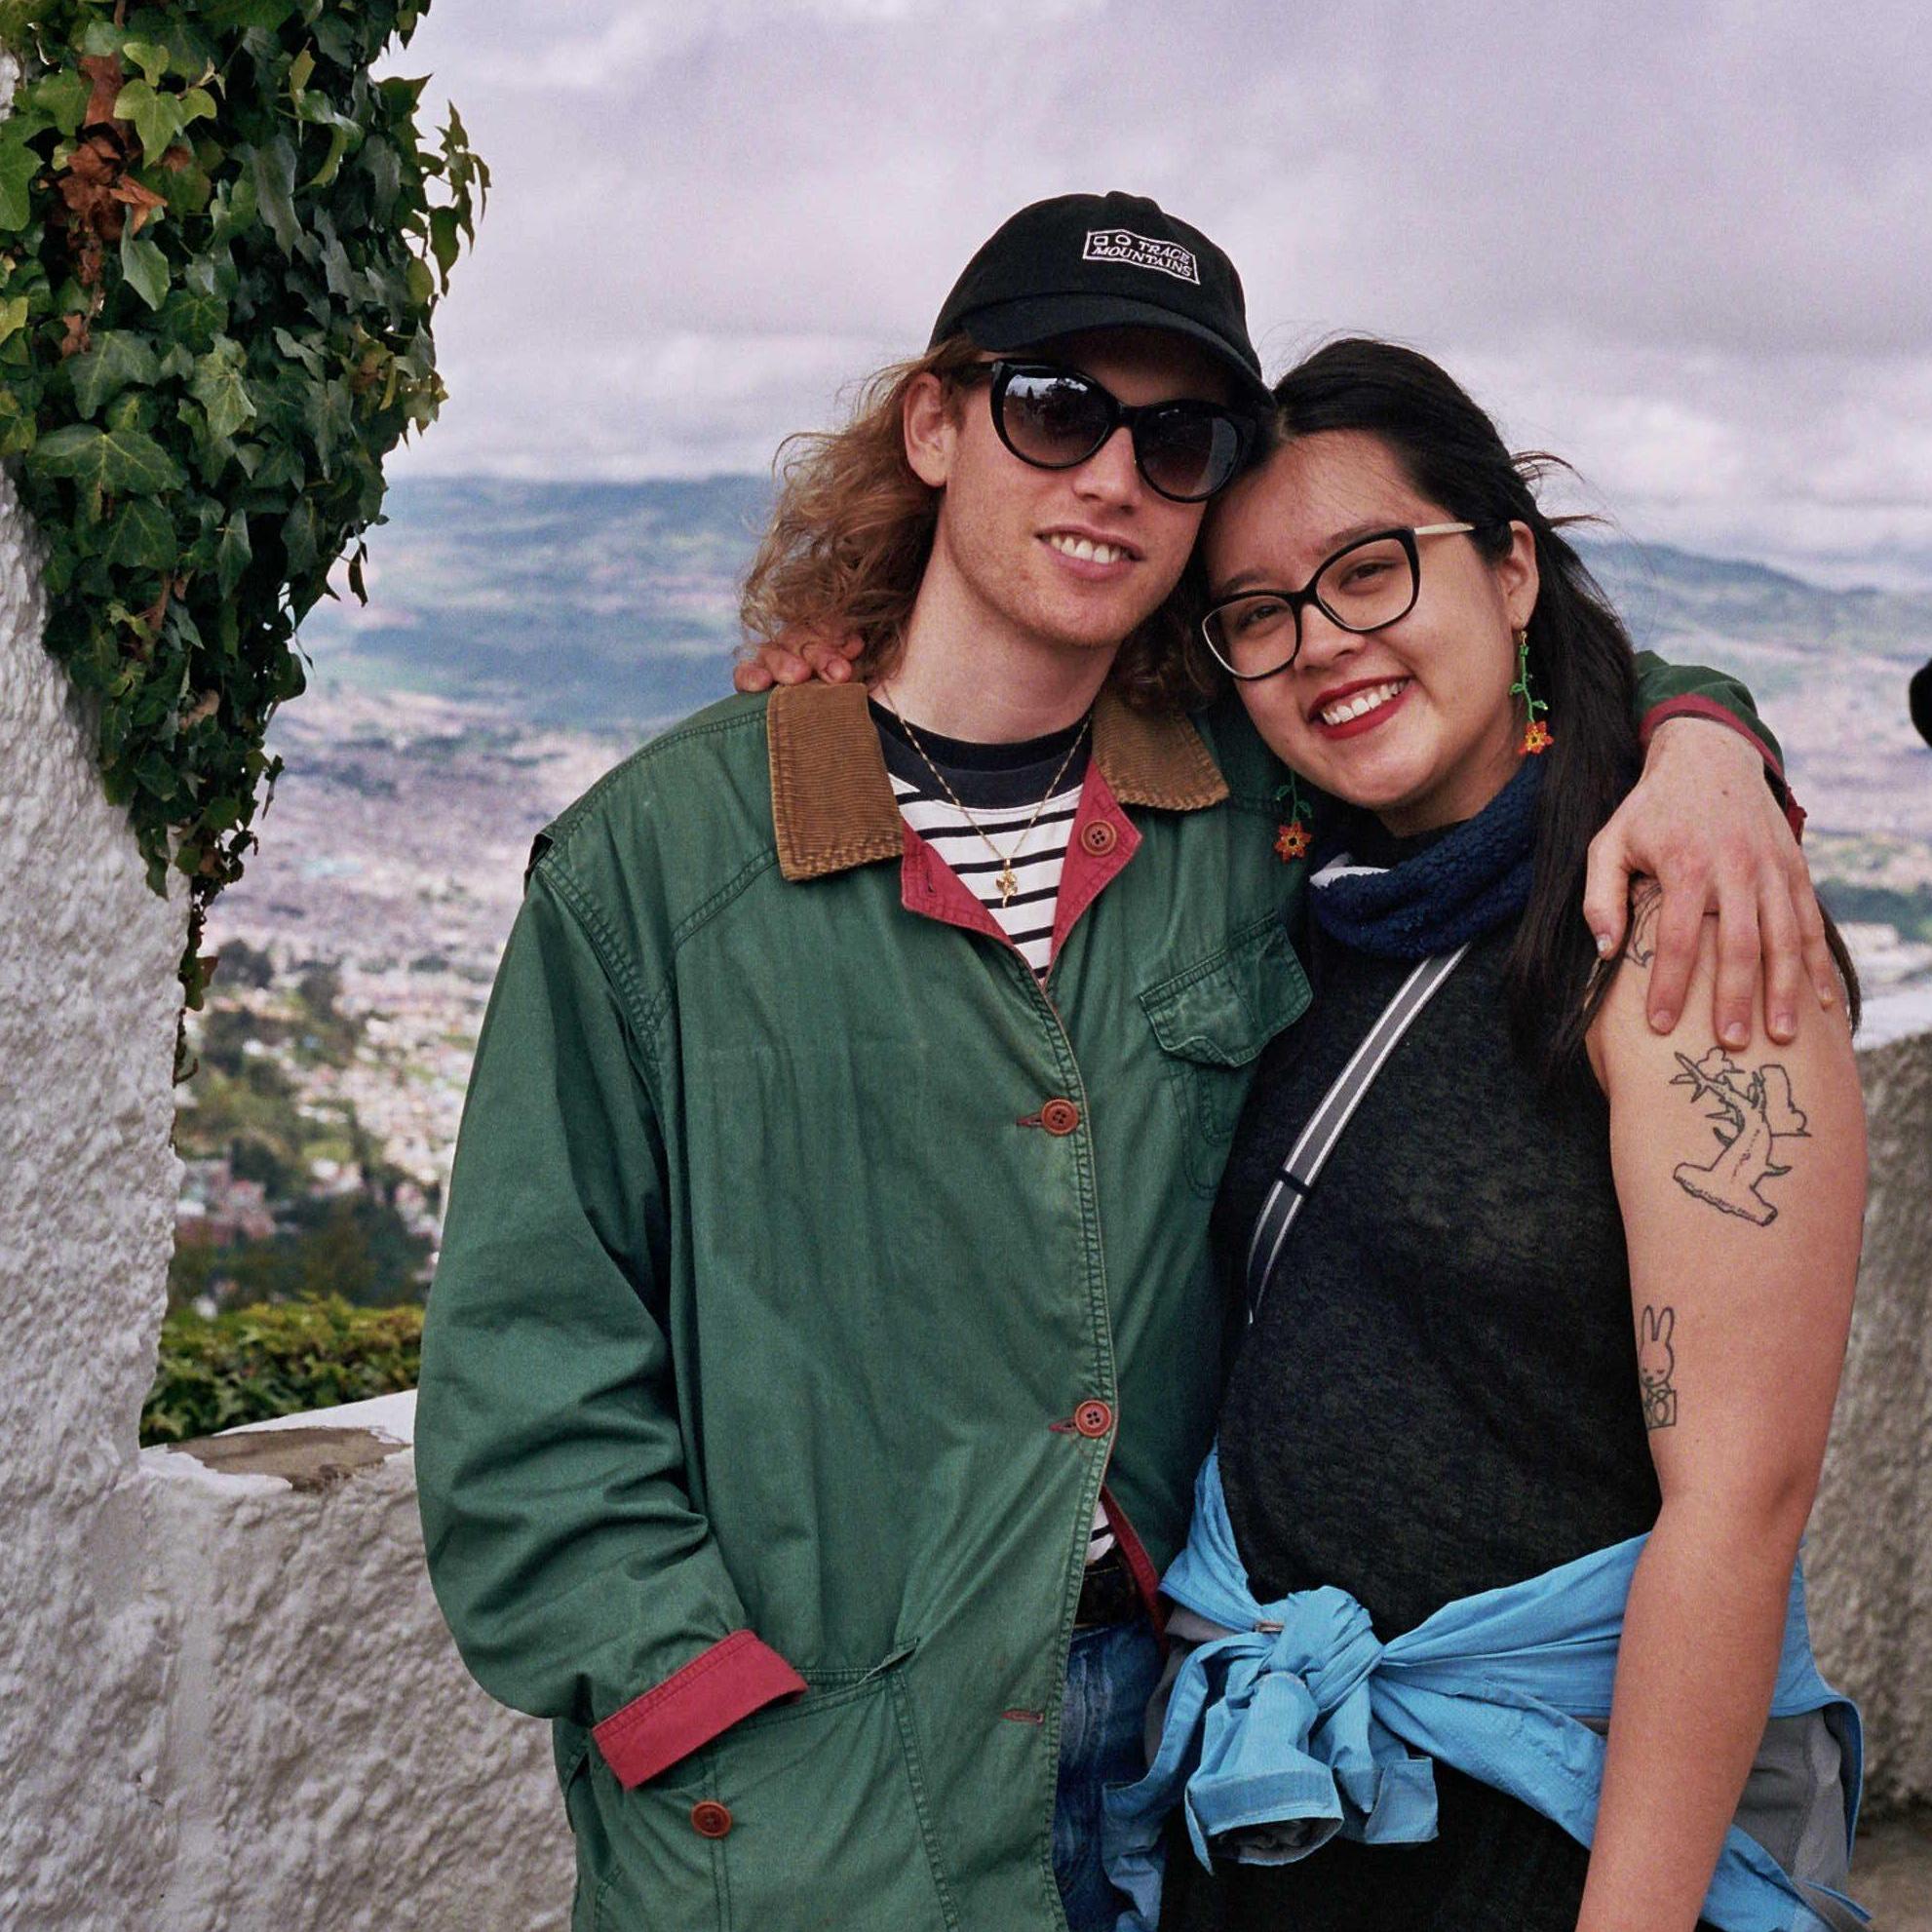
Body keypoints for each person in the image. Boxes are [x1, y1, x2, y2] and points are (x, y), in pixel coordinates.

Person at [417, 192, 1829, 1932]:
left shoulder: (1242, 817)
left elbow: (1478, 696)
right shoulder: (662, 867)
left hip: (1179, 1766)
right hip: (811, 1787)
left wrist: (1701, 735)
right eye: (1055, 407)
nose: (1109, 476)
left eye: (1174, 441)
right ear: (934, 423)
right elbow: (523, 1370)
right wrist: (694, 1712)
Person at [1100, 339, 1866, 1932]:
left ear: (1511, 567)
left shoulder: (1680, 934)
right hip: (1285, 1799)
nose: (1323, 646)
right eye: (1258, 613)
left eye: (1368, 572)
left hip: (1547, 1826)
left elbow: (1740, 1496)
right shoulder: (1307, 909)